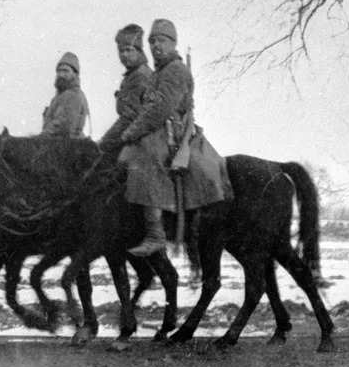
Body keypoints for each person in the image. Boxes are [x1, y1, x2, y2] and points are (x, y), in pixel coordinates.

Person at [98, 19, 231, 257]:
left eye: (162, 40)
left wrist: (131, 133)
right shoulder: (161, 71)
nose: (156, 45)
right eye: (152, 41)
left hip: (171, 131)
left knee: (142, 159)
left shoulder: (176, 70)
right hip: (161, 127)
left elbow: (159, 109)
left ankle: (155, 234)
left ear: (173, 43)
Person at [41, 52, 90, 138]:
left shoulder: (71, 96)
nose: (61, 74)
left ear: (75, 74)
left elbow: (61, 127)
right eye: (58, 71)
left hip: (65, 147)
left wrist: (39, 138)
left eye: (65, 71)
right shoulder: (62, 96)